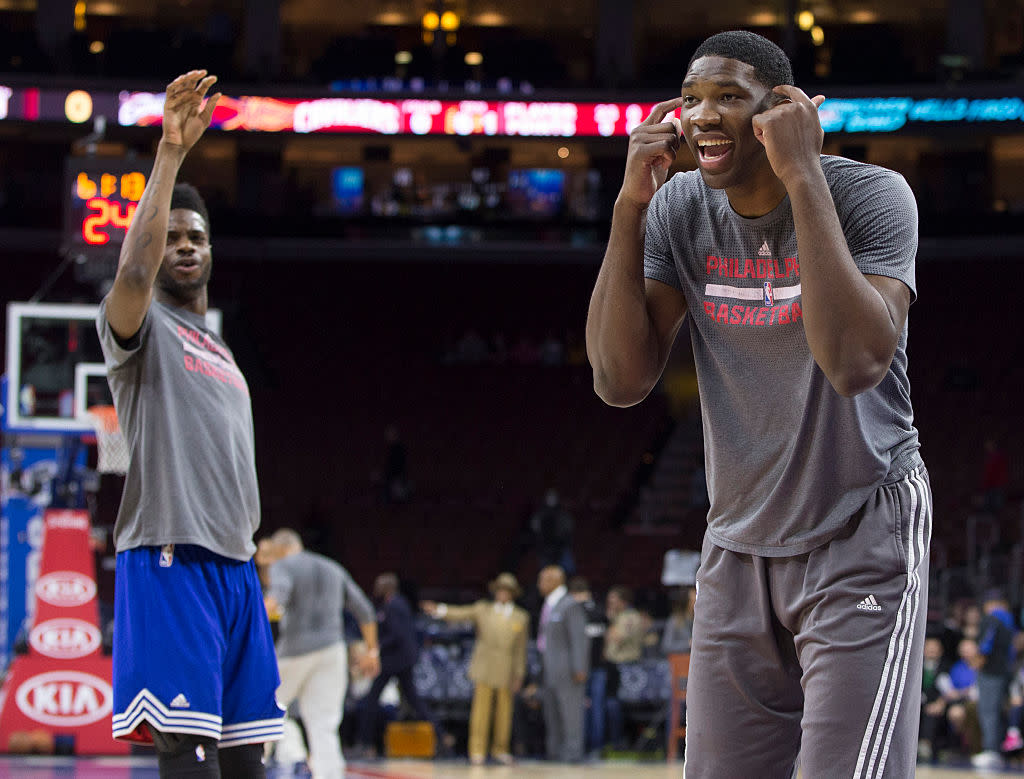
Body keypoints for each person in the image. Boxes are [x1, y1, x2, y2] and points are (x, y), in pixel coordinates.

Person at [585, 30, 930, 777]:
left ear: (783, 110)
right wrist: (627, 208)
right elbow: (619, 380)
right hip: (738, 541)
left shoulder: (871, 195)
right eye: (692, 99)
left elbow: (855, 363)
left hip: (859, 524)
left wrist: (803, 174)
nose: (704, 115)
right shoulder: (679, 209)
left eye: (729, 98)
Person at [97, 69, 284, 777]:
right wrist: (170, 155)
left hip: (235, 567)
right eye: (172, 234)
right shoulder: (141, 328)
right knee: (189, 753)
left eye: (194, 235)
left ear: (211, 249)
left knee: (246, 758)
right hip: (170, 553)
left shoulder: (224, 349)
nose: (183, 244)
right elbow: (135, 276)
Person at [264, 529, 380, 778]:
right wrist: (372, 651)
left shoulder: (283, 565)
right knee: (324, 725)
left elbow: (277, 599)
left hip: (294, 651)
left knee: (264, 711)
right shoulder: (333, 568)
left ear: (280, 550)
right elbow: (365, 611)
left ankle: (269, 763)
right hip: (332, 651)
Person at [422, 572, 529, 765]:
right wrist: (439, 610)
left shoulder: (521, 617)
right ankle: (477, 750)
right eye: (500, 590)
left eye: (506, 591)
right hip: (485, 666)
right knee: (480, 711)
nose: (502, 594)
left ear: (512, 594)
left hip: (507, 668)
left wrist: (519, 673)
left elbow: (520, 650)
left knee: (504, 713)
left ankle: (500, 750)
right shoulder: (483, 610)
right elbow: (461, 613)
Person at [354, 573, 447, 758]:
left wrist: (377, 647)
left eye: (379, 585)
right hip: (401, 658)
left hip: (396, 660)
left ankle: (364, 744)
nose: (376, 588)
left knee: (373, 699)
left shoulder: (393, 605)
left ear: (386, 587)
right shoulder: (397, 603)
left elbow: (397, 635)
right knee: (413, 700)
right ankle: (442, 737)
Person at [536, 565, 589, 763]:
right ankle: (555, 753)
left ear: (554, 581)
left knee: (571, 714)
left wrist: (579, 667)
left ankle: (573, 754)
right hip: (549, 668)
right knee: (552, 714)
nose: (539, 584)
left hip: (568, 669)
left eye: (542, 579)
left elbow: (579, 639)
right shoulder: (549, 604)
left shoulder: (569, 605)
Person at [969, 590, 1016, 769]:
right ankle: (997, 750)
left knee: (988, 712)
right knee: (996, 712)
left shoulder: (992, 619)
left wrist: (977, 662)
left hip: (990, 672)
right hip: (1004, 672)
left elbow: (986, 644)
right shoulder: (1009, 621)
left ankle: (991, 750)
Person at [567, 576, 609, 756]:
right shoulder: (600, 611)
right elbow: (607, 638)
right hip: (599, 666)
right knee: (597, 707)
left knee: (579, 707)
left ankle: (580, 747)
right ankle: (596, 748)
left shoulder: (573, 612)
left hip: (580, 668)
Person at [602, 586, 646, 749]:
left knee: (615, 705)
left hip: (627, 668)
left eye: (613, 600)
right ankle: (613, 741)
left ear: (623, 601)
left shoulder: (629, 617)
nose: (610, 603)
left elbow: (617, 637)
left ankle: (619, 742)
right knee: (610, 704)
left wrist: (610, 623)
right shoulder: (618, 617)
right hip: (614, 667)